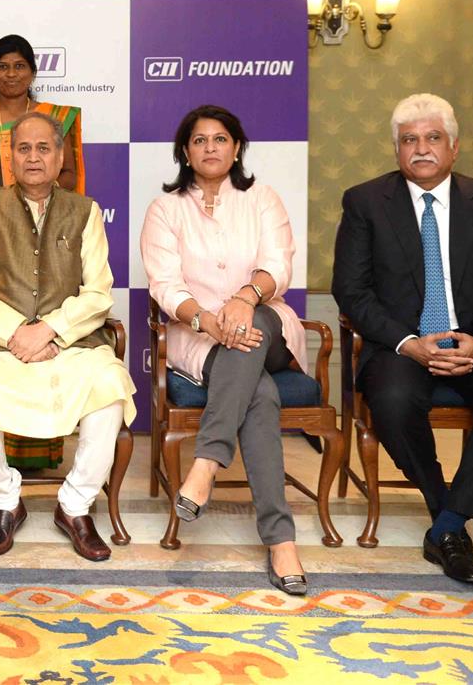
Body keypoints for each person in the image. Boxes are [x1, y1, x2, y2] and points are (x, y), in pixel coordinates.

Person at [333, 93, 473, 587]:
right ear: (396, 150)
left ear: (454, 147)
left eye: (432, 138)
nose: (421, 149)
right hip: (401, 344)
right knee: (393, 398)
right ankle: (444, 507)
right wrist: (408, 342)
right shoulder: (365, 202)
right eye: (409, 140)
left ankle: (447, 527)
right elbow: (351, 291)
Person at [0, 112, 135, 561]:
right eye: (24, 149)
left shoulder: (84, 211)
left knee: (109, 386)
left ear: (61, 156)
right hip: (1, 341)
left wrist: (51, 330)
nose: (33, 158)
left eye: (43, 149)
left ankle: (75, 505)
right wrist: (17, 333)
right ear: (10, 157)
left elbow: (98, 292)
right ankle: (6, 501)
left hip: (68, 342)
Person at [139, 105, 309, 596]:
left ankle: (207, 462)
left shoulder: (262, 199)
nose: (210, 147)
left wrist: (241, 301)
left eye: (220, 139)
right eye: (199, 140)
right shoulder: (165, 210)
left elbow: (278, 265)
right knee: (258, 395)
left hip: (267, 325)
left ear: (236, 148)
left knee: (251, 329)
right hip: (199, 334)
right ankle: (281, 540)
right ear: (185, 152)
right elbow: (165, 285)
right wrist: (209, 320)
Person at [0, 34, 86, 471]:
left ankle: (41, 449)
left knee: (43, 309)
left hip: (45, 224)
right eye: (2, 66)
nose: (11, 74)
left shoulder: (58, 118)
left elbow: (71, 175)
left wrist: (47, 209)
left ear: (32, 71)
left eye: (19, 66)